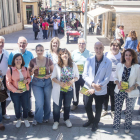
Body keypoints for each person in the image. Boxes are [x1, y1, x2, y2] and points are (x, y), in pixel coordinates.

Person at [82, 42, 112, 132]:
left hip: (100, 88)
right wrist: (92, 84)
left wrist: (98, 86)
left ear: (103, 49)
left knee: (98, 107)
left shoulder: (108, 62)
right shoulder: (88, 59)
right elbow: (84, 75)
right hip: (88, 86)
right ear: (94, 49)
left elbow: (107, 78)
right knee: (86, 104)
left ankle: (96, 122)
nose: (98, 50)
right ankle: (91, 119)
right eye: (96, 48)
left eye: (100, 48)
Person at [113, 49, 140, 134]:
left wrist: (132, 87)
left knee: (129, 110)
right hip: (119, 91)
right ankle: (116, 125)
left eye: (129, 55)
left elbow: (139, 81)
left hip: (131, 92)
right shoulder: (119, 65)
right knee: (117, 109)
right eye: (126, 55)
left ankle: (127, 126)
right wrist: (118, 83)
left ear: (133, 57)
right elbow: (115, 78)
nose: (127, 57)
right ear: (124, 56)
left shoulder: (137, 67)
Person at [51, 48, 79, 130]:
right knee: (57, 106)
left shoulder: (73, 65)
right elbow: (53, 77)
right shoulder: (57, 66)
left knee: (67, 106)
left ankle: (66, 119)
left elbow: (77, 76)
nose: (65, 55)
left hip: (69, 90)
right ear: (60, 56)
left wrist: (72, 80)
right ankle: (56, 121)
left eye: (66, 53)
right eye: (63, 54)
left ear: (68, 55)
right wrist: (60, 83)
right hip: (59, 90)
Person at [8, 36, 34, 118]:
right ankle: (19, 113)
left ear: (26, 44)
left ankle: (28, 110)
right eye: (20, 43)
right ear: (17, 44)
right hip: (15, 81)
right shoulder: (12, 54)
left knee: (28, 96)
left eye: (24, 43)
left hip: (26, 80)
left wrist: (29, 74)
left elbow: (33, 65)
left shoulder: (30, 54)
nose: (22, 44)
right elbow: (9, 65)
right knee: (17, 98)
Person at [29, 44, 54, 125]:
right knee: (39, 102)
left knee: (47, 101)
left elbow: (53, 72)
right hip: (36, 82)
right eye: (38, 50)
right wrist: (33, 69)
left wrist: (49, 75)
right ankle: (37, 118)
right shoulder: (32, 61)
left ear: (44, 51)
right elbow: (29, 73)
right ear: (36, 51)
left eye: (41, 50)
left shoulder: (48, 60)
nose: (39, 52)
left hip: (47, 82)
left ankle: (46, 117)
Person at [6, 54, 31, 128]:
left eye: (20, 59)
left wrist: (27, 81)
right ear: (14, 60)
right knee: (17, 106)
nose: (18, 61)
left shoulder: (26, 69)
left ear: (22, 60)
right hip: (15, 92)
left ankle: (26, 118)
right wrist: (15, 90)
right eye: (16, 59)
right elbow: (8, 83)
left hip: (25, 91)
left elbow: (29, 78)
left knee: (25, 106)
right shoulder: (10, 70)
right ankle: (19, 119)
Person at [71, 38, 93, 111]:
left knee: (85, 90)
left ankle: (86, 104)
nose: (81, 45)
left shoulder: (89, 53)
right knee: (75, 91)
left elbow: (92, 65)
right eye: (80, 43)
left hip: (85, 76)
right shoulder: (74, 53)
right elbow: (70, 64)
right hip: (76, 76)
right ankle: (75, 104)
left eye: (83, 43)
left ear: (85, 44)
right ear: (77, 44)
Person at [102, 40, 121, 118]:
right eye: (113, 45)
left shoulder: (122, 55)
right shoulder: (106, 54)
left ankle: (113, 110)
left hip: (116, 81)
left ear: (119, 47)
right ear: (110, 46)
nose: (115, 47)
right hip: (107, 79)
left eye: (117, 46)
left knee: (114, 96)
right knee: (105, 95)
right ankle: (105, 110)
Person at [0, 36, 10, 129]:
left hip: (3, 78)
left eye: (2, 42)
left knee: (3, 96)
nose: (1, 44)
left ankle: (3, 113)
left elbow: (10, 65)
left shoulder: (6, 52)